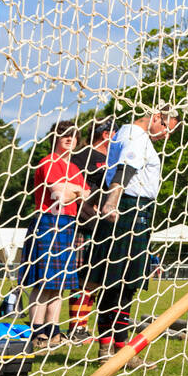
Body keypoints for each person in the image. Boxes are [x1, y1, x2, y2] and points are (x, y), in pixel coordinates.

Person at [95, 107, 179, 367]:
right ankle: (117, 352)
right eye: (166, 128)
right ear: (156, 117)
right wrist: (112, 202)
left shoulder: (127, 133)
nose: (166, 135)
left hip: (134, 211)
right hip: (129, 210)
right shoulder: (136, 135)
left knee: (119, 284)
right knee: (122, 283)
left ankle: (111, 350)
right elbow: (126, 168)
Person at [27, 121, 90, 347]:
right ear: (55, 137)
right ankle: (36, 332)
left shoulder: (74, 168)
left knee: (59, 284)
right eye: (64, 134)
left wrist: (70, 189)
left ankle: (53, 330)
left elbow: (86, 193)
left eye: (73, 135)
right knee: (43, 283)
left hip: (68, 223)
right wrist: (76, 190)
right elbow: (58, 193)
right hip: (48, 221)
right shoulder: (48, 161)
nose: (69, 138)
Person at [69, 123, 116, 340]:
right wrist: (88, 206)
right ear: (106, 134)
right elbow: (74, 184)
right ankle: (76, 327)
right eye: (115, 133)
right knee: (82, 276)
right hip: (84, 223)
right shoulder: (82, 156)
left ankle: (84, 325)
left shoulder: (112, 158)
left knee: (96, 277)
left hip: (104, 224)